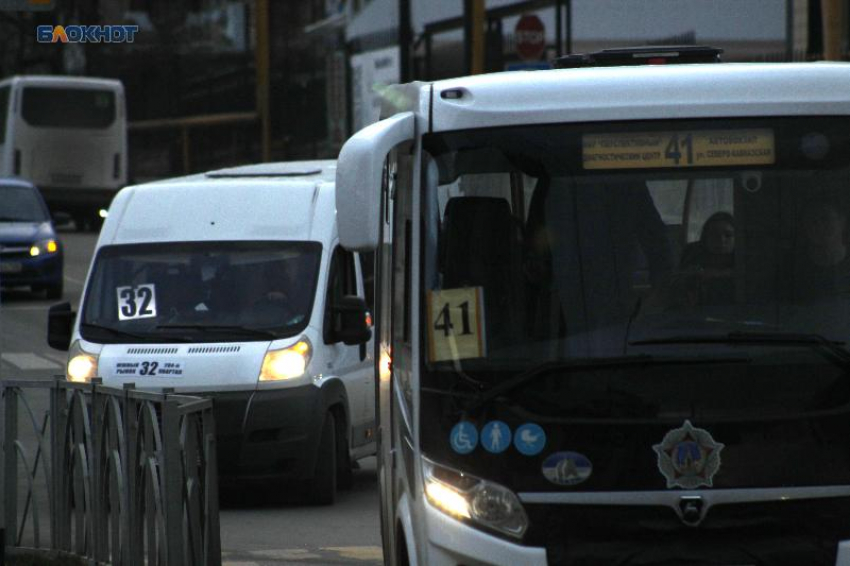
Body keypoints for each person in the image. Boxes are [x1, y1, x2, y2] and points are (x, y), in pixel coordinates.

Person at [794, 199, 850, 301]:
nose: (819, 226)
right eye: (812, 221)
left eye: (825, 218)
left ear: (842, 221)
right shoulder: (792, 268)